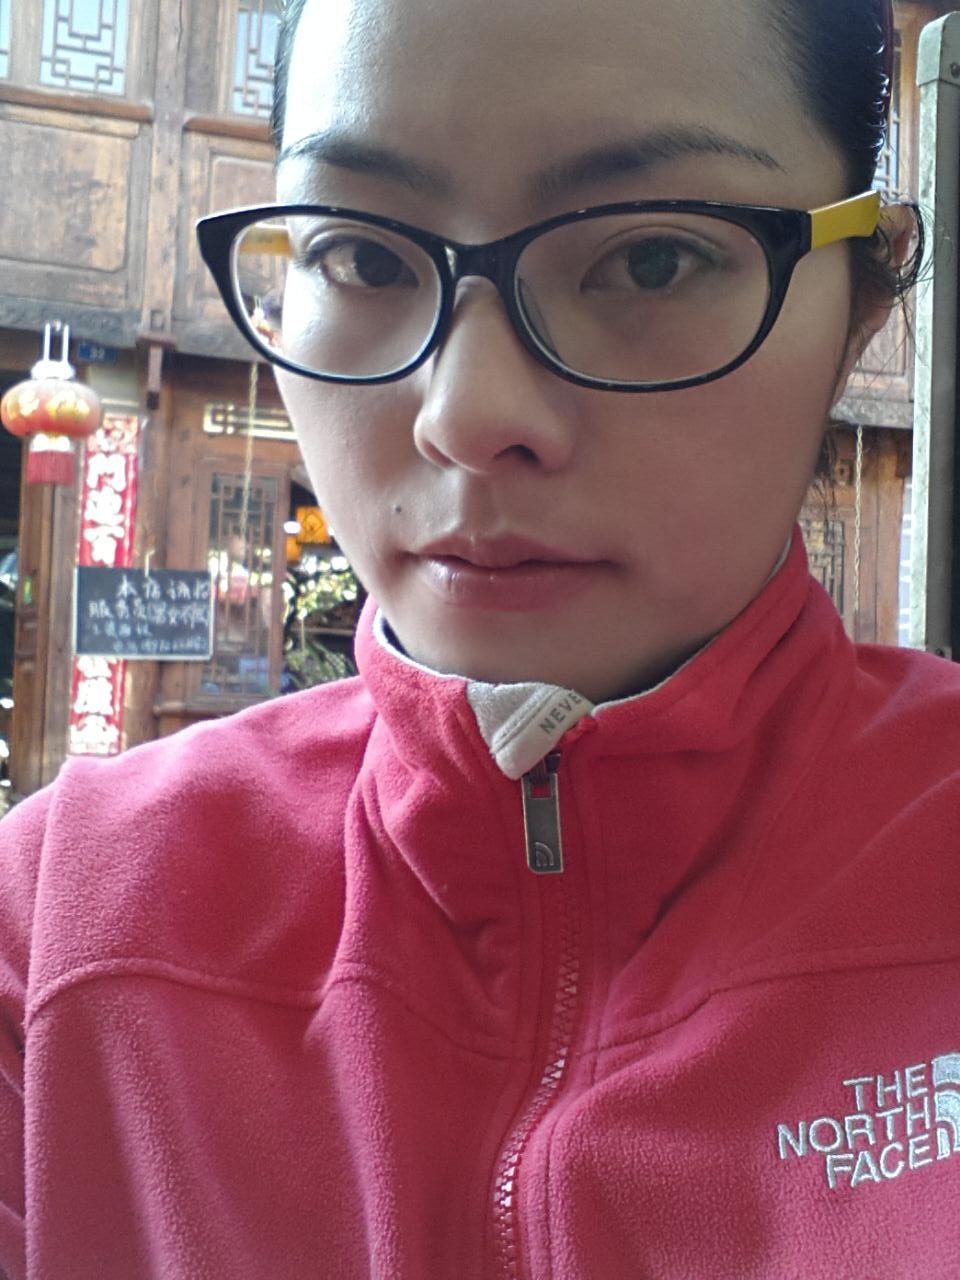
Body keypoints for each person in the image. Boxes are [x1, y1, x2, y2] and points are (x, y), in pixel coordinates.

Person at [0, 0, 954, 1275]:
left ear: (862, 303)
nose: (467, 412)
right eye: (363, 256)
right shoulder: (56, 927)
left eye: (652, 259)